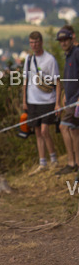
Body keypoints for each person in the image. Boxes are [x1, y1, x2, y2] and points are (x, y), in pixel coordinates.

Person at [23, 30, 60, 170]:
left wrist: (57, 103)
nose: (34, 45)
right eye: (31, 42)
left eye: (36, 42)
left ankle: (54, 158)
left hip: (47, 100)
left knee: (45, 131)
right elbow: (25, 81)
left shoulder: (50, 59)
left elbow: (57, 81)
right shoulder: (28, 59)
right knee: (37, 132)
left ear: (41, 42)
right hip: (33, 101)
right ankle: (42, 162)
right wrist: (24, 100)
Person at [55, 26, 79, 176]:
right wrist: (64, 95)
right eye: (61, 40)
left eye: (65, 39)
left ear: (72, 38)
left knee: (64, 126)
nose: (63, 43)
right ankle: (76, 163)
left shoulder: (77, 53)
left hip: (77, 100)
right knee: (74, 131)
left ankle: (71, 163)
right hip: (70, 99)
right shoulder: (68, 55)